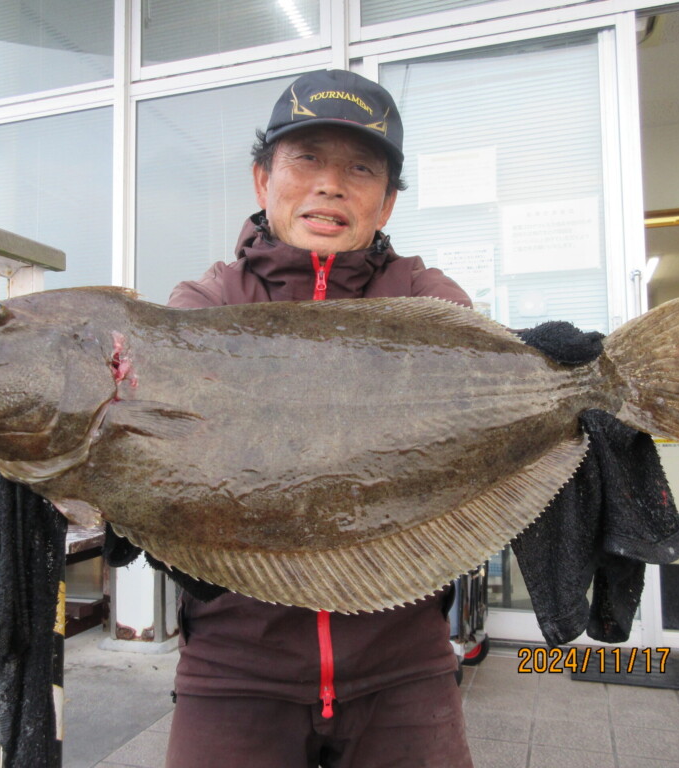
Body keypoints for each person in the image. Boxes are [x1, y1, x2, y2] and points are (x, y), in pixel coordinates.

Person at [162, 69, 476, 768]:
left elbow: (480, 400)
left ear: (387, 203)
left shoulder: (425, 296)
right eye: (305, 159)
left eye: (360, 168)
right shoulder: (205, 302)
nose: (330, 185)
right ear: (261, 181)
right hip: (237, 665)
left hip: (403, 661)